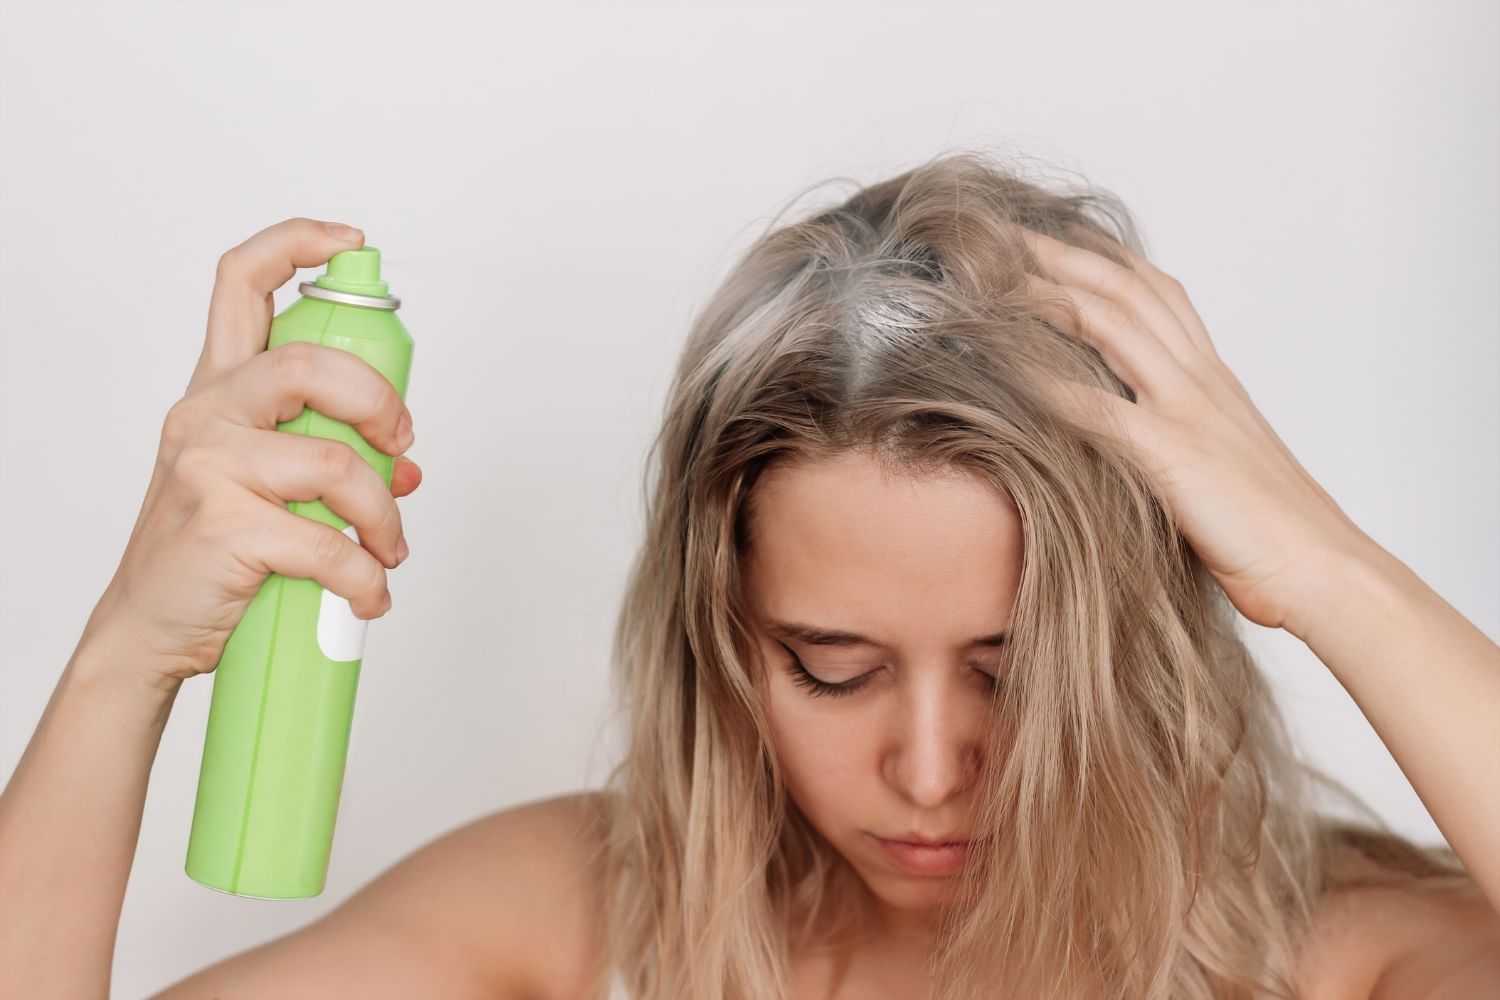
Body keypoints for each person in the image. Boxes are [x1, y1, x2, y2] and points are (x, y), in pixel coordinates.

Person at [2, 151, 1497, 1000]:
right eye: (831, 669)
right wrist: (127, 655)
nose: (931, 770)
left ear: (1142, 642)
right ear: (722, 632)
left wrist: (1328, 569)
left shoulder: (1354, 959)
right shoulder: (579, 916)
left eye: (1017, 672)